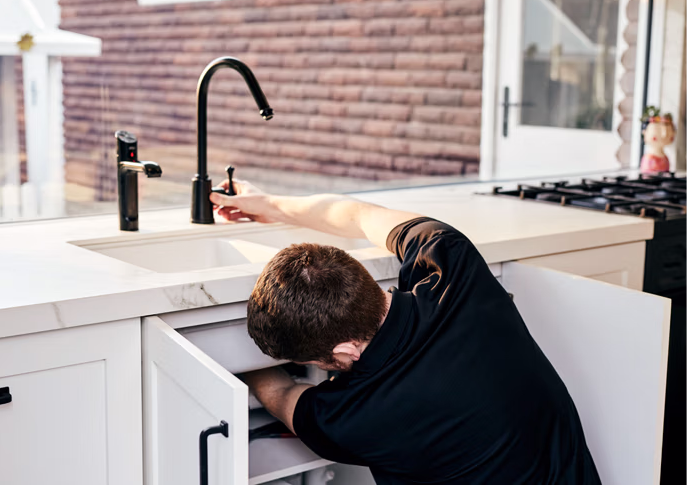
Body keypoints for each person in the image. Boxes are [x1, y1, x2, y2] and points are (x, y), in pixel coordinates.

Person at [210, 180, 601, 485]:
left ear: (347, 348)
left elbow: (280, 394)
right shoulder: (451, 263)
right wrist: (269, 204)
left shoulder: (351, 418)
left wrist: (228, 355)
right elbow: (357, 213)